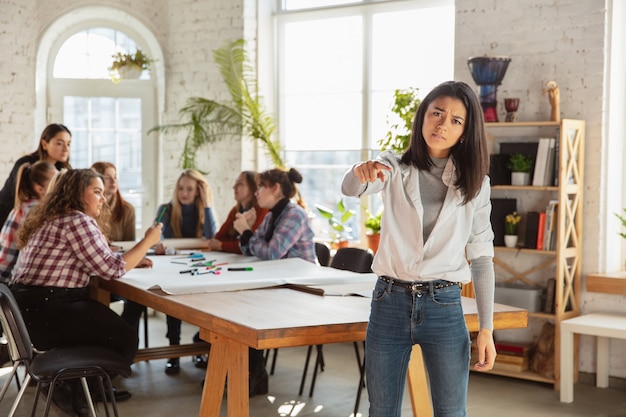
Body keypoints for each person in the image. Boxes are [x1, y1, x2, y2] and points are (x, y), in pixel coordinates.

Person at [340, 80, 497, 417]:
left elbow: (481, 257)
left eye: (455, 120)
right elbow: (353, 187)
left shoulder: (476, 184)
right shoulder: (393, 167)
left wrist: (486, 328)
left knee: (451, 411)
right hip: (388, 304)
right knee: (381, 410)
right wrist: (358, 171)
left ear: (465, 132)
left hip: (444, 305)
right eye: (437, 113)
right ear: (422, 115)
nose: (442, 124)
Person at [9, 169, 162, 416]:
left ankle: (82, 387)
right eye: (97, 192)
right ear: (78, 194)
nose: (103, 198)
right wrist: (148, 241)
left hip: (29, 313)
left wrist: (130, 258)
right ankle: (75, 390)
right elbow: (113, 269)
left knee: (101, 326)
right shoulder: (77, 220)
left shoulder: (51, 218)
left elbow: (98, 260)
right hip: (50, 311)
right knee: (125, 341)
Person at [233, 167, 316, 397]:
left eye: (261, 186)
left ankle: (253, 374)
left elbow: (271, 252)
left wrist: (247, 232)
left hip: (303, 289)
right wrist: (245, 233)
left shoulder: (294, 214)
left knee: (248, 309)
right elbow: (251, 249)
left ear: (275, 189)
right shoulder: (272, 214)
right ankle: (248, 371)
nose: (257, 192)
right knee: (242, 307)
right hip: (282, 282)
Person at [155, 169, 217, 375]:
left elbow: (212, 237)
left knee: (210, 301)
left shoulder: (204, 210)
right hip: (173, 269)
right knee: (174, 304)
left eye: (190, 189)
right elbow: (157, 236)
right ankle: (174, 352)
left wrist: (207, 203)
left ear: (198, 191)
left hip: (201, 268)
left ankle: (199, 345)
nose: (184, 193)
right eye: (181, 188)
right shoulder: (166, 209)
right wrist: (159, 244)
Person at [91, 161, 150, 339]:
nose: (113, 181)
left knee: (137, 298)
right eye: (107, 178)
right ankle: (115, 342)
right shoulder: (91, 210)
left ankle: (125, 339)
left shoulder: (127, 210)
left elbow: (129, 245)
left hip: (120, 267)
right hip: (101, 272)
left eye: (115, 177)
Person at [0, 123, 72, 227]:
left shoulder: (64, 170)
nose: (66, 149)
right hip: (10, 218)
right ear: (44, 144)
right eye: (59, 143)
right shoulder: (27, 165)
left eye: (68, 144)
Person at [0, 161, 58, 283]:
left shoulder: (27, 207)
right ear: (40, 189)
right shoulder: (33, 211)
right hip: (9, 280)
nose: (60, 186)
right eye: (55, 182)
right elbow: (6, 257)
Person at [206, 171, 268, 253]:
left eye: (240, 184)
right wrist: (225, 245)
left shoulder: (262, 210)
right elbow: (218, 239)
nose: (234, 187)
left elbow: (251, 244)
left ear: (253, 188)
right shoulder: (235, 211)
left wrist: (222, 245)